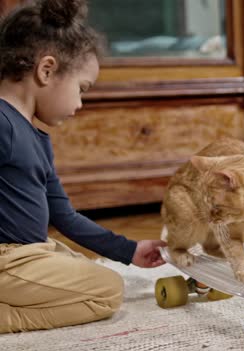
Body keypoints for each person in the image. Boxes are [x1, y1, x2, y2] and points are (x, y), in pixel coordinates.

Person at [0, 0, 166, 333]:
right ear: (46, 70)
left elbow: (65, 216)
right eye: (81, 89)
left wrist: (129, 250)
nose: (79, 104)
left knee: (77, 266)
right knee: (107, 290)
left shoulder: (38, 139)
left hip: (30, 254)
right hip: (8, 260)